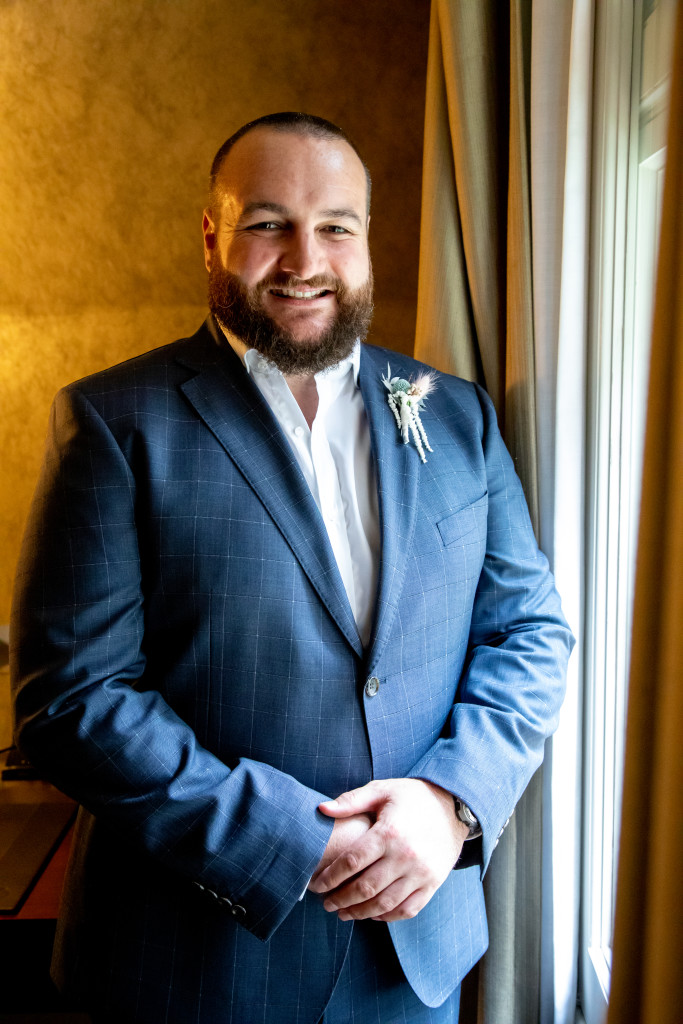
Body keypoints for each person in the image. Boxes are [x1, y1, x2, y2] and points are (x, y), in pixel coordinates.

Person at [11, 112, 573, 1024]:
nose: (304, 260)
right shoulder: (113, 421)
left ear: (366, 238)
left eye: (334, 227)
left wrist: (451, 799)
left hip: (409, 953)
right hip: (187, 967)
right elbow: (72, 698)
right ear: (212, 236)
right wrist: (287, 843)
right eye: (269, 223)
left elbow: (530, 631)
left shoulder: (456, 415)